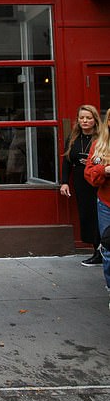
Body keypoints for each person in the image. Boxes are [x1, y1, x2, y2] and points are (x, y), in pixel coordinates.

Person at [60, 105, 101, 266]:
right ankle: (95, 249)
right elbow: (66, 162)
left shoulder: (102, 138)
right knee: (87, 215)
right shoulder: (73, 138)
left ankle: (102, 250)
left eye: (88, 118)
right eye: (82, 118)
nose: (85, 121)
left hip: (98, 180)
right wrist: (64, 182)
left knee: (101, 216)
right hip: (80, 180)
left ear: (95, 120)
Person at [84, 108, 110, 305]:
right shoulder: (99, 146)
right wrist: (104, 169)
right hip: (106, 203)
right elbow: (91, 176)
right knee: (108, 248)